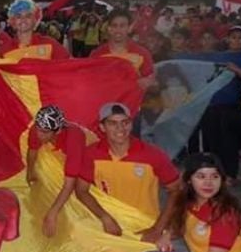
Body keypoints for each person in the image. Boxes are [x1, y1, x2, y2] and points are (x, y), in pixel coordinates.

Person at [75, 103, 181, 242]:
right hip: (109, 227)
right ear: (102, 127)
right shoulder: (91, 154)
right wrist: (104, 217)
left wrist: (158, 228)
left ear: (131, 124)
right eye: (113, 123)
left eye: (125, 122)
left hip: (144, 228)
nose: (120, 128)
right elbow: (81, 190)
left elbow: (177, 191)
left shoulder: (153, 155)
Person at [26, 105, 86, 237]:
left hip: (82, 151)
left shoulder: (74, 139)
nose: (39, 135)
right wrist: (30, 172)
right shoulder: (37, 129)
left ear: (58, 131)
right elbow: (32, 151)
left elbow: (70, 184)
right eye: (38, 129)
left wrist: (52, 213)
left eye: (45, 132)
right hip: (61, 151)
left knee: (80, 193)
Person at [90, 10, 155, 89]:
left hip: (132, 96)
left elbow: (151, 80)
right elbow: (91, 80)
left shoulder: (143, 54)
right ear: (109, 29)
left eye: (122, 26)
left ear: (129, 28)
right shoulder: (98, 54)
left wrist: (148, 82)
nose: (118, 30)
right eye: (114, 26)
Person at [4, 0, 70, 61]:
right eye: (18, 17)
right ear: (12, 22)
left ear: (35, 20)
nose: (23, 19)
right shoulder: (5, 48)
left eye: (28, 16)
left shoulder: (49, 44)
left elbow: (69, 63)